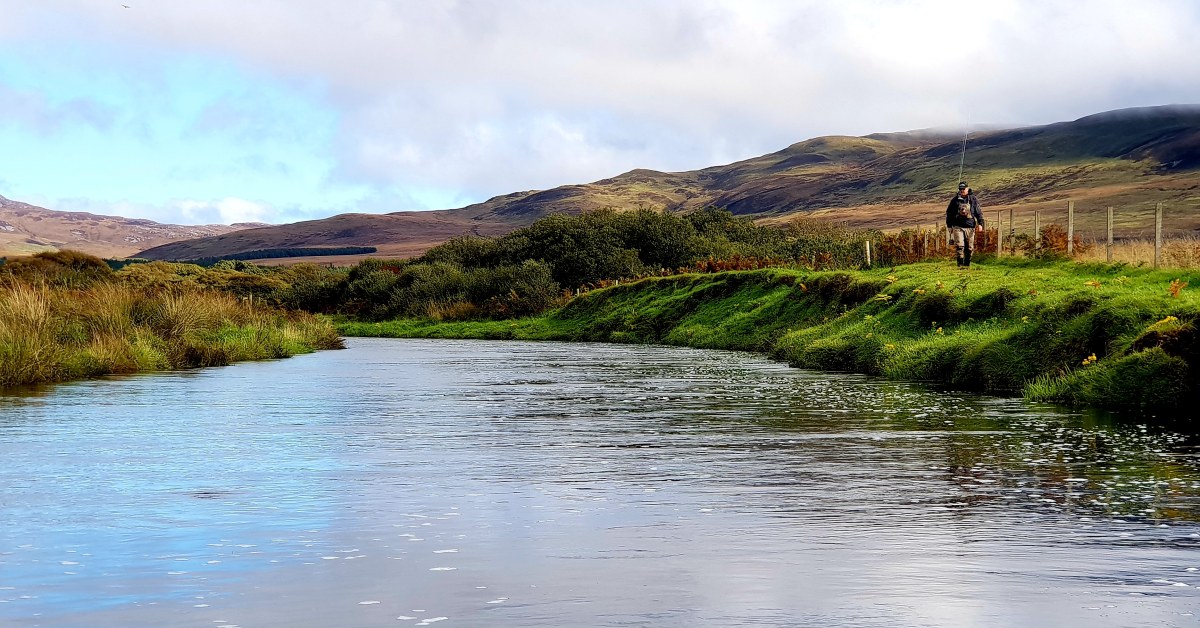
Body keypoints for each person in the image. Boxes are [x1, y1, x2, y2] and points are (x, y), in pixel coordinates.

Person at [945, 182, 984, 267]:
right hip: (957, 226)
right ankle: (960, 265)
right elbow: (949, 213)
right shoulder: (954, 200)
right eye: (960, 189)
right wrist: (949, 226)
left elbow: (978, 212)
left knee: (969, 248)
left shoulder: (973, 199)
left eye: (963, 189)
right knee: (960, 246)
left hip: (970, 227)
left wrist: (980, 224)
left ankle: (967, 265)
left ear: (968, 188)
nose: (962, 190)